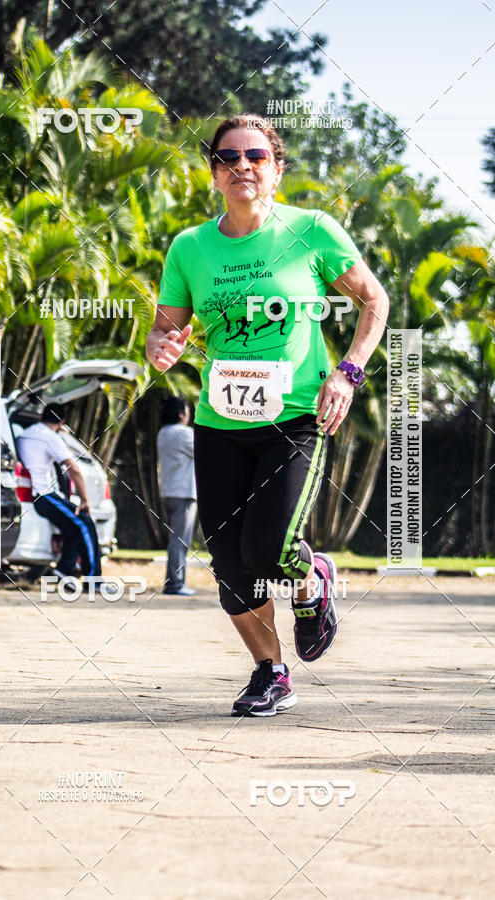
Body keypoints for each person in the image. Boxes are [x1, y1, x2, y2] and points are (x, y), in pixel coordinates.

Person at [146, 113, 389, 717]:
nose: (241, 167)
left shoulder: (312, 231)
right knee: (229, 563)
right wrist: (161, 345)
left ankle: (312, 581)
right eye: (227, 158)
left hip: (297, 415)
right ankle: (270, 671)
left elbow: (372, 300)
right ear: (214, 174)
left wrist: (349, 371)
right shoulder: (190, 248)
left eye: (256, 156)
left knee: (271, 547)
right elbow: (165, 329)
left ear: (277, 170)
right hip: (220, 421)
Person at [17, 403, 101, 580]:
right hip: (44, 496)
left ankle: (65, 569)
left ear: (42, 417)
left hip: (33, 495)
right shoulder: (50, 437)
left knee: (73, 526)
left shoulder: (25, 434)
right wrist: (85, 500)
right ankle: (94, 579)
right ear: (62, 422)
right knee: (84, 522)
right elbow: (74, 469)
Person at [157, 395, 197, 596]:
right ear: (182, 414)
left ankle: (175, 581)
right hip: (184, 493)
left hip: (168, 491)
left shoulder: (163, 433)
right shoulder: (184, 434)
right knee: (180, 540)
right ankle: (175, 583)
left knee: (175, 539)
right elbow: (205, 452)